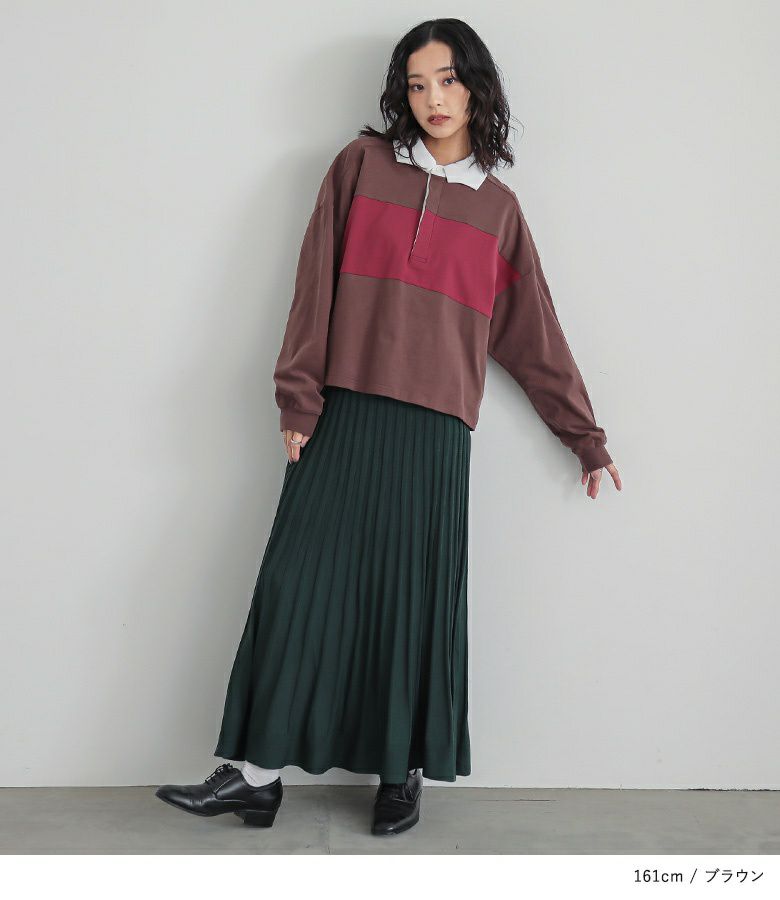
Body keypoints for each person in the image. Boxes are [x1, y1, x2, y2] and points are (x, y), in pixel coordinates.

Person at [155, 17, 621, 837]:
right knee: (296, 586)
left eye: (448, 80)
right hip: (344, 410)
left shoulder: (498, 210)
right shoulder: (361, 166)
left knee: (410, 606)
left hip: (435, 432)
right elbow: (313, 286)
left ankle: (400, 774)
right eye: (416, 83)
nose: (433, 98)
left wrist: (584, 436)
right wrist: (298, 397)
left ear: (476, 87)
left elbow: (533, 334)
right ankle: (256, 778)